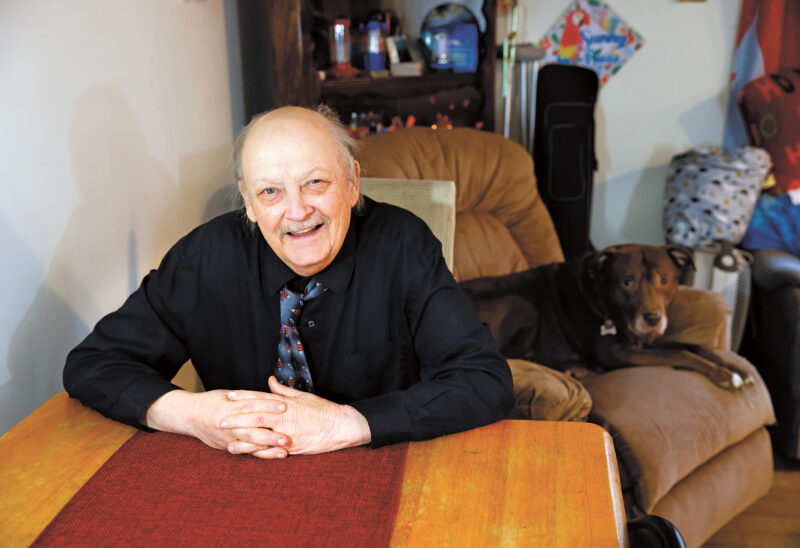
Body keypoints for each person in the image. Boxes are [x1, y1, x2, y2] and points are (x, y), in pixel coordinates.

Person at [63, 105, 513, 459]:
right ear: (249, 202)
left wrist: (346, 424)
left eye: (315, 182)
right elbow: (93, 364)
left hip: (384, 473)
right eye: (270, 192)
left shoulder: (405, 246)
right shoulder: (203, 259)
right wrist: (191, 414)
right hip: (240, 482)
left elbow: (484, 380)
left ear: (352, 183)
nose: (297, 212)